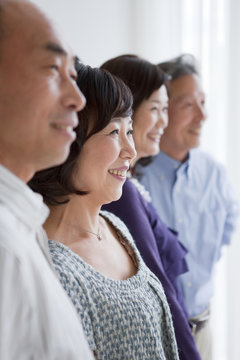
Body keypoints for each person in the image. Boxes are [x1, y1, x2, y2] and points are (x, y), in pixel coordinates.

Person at [29, 63, 180, 360]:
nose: (130, 150)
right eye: (113, 132)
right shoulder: (54, 266)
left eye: (130, 131)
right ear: (69, 141)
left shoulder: (114, 227)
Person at [0, 1, 93, 358]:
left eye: (73, 74)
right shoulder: (6, 251)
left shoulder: (23, 228)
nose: (78, 99)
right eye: (53, 68)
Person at [136, 54, 239, 360]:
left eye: (203, 102)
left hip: (203, 333)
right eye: (188, 105)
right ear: (161, 112)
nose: (202, 116)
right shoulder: (131, 179)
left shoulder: (215, 173)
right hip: (154, 339)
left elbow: (227, 228)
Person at [101, 54, 201, 360]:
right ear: (126, 110)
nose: (164, 121)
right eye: (155, 108)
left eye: (166, 109)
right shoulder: (123, 193)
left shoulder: (129, 186)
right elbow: (161, 292)